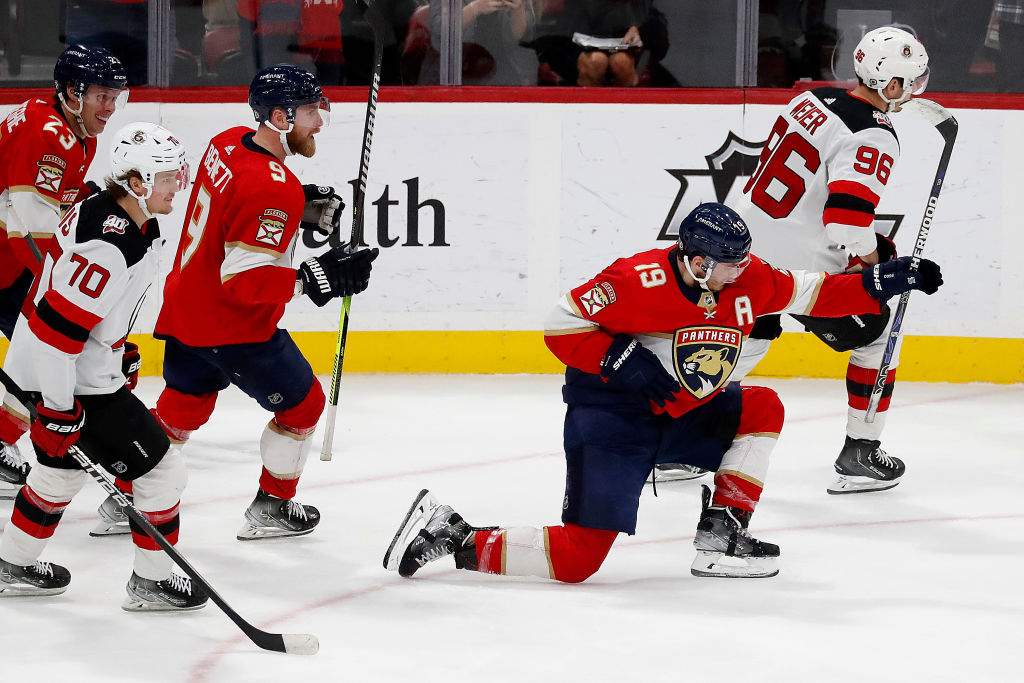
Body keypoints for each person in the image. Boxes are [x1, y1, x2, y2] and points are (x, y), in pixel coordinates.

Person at [384, 203, 943, 582]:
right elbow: (560, 324)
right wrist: (619, 358)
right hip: (612, 419)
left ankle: (723, 532)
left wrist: (885, 280)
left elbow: (814, 292)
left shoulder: (748, 278)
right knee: (578, 560)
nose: (742, 272)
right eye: (730, 264)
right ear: (698, 260)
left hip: (682, 412)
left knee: (762, 407)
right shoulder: (636, 280)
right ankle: (455, 534)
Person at [124, 64, 378, 542]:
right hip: (233, 328)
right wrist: (314, 279)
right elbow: (244, 280)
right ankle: (273, 506)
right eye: (309, 112)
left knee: (183, 407)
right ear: (280, 118)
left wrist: (297, 205)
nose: (318, 122)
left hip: (185, 308)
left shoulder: (227, 142)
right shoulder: (272, 189)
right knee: (304, 406)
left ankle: (126, 499)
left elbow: (234, 206)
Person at [0, 122, 207, 611]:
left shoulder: (120, 213)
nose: (178, 184)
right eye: (167, 177)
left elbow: (81, 312)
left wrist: (116, 346)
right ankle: (152, 583)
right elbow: (57, 332)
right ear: (136, 182)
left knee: (59, 474)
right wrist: (57, 408)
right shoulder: (111, 245)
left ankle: (11, 565)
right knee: (162, 474)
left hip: (61, 366)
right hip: (74, 380)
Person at [724, 25, 932, 495]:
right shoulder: (875, 134)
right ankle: (861, 451)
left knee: (747, 341)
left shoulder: (812, 98)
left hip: (744, 252)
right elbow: (845, 224)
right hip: (801, 270)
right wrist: (876, 261)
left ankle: (675, 446)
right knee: (880, 333)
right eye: (910, 81)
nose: (914, 89)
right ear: (890, 85)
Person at [0, 44, 128, 502]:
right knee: (50, 353)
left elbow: (52, 205)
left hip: (10, 267)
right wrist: (63, 292)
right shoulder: (49, 134)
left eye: (115, 97)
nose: (109, 108)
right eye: (101, 96)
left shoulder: (68, 127)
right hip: (11, 263)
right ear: (73, 92)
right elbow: (29, 231)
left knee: (38, 359)